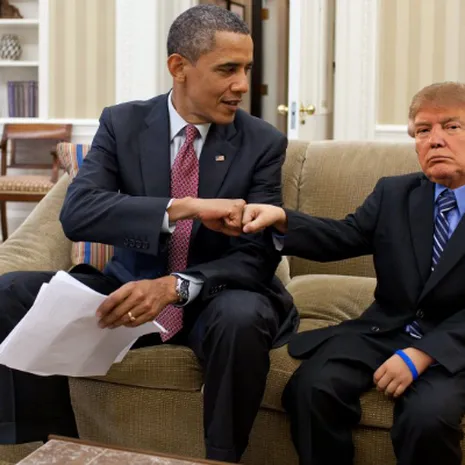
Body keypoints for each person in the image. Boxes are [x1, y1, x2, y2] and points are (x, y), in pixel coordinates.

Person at [0, 5, 297, 463]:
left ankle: (221, 458)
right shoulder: (123, 124)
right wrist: (183, 208)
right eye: (227, 69)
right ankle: (55, 446)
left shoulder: (262, 142)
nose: (242, 84)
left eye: (247, 69)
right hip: (129, 289)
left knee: (242, 316)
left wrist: (174, 286)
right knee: (12, 291)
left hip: (214, 296)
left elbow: (257, 255)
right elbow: (79, 212)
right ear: (179, 67)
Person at [229, 81, 465, 465]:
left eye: (452, 126)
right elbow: (343, 237)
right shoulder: (395, 194)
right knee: (310, 390)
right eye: (423, 130)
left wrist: (423, 354)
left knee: (427, 420)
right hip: (386, 330)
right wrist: (283, 219)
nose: (435, 140)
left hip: (455, 344)